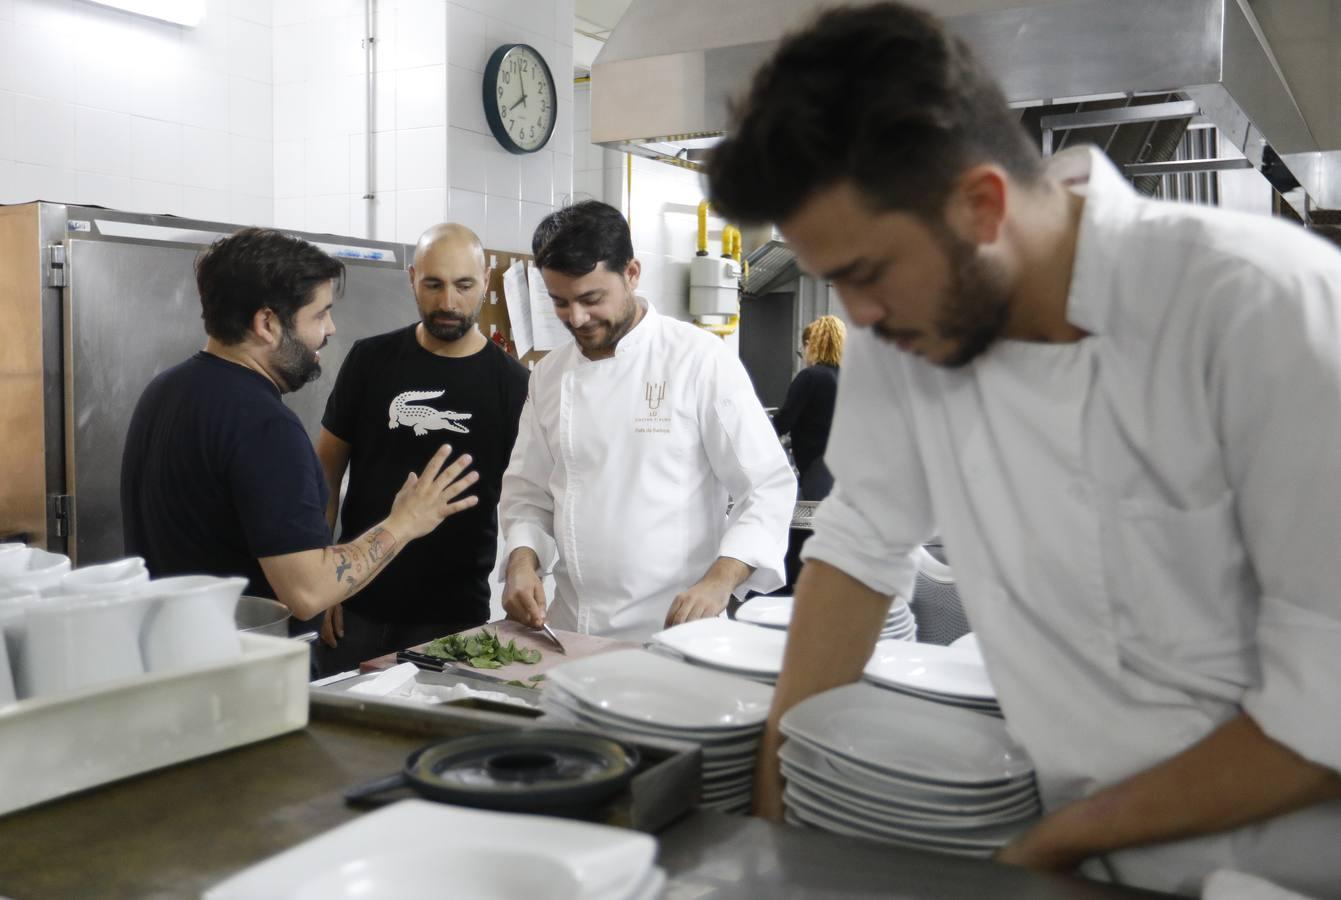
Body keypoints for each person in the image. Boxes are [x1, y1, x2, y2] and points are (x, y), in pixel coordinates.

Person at [705, 4, 1341, 897]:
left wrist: (1056, 842)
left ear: (982, 204)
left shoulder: (1267, 310)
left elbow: (1328, 709)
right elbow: (856, 550)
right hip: (1077, 849)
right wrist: (772, 833)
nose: (857, 318)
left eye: (865, 273)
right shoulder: (912, 327)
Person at [122, 227, 480, 631]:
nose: (330, 329)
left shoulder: (163, 391)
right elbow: (308, 592)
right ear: (267, 324)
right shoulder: (265, 427)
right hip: (241, 674)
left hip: (169, 656)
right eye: (320, 314)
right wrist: (406, 521)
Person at [498, 201, 796, 640]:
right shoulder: (549, 376)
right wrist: (522, 561)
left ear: (632, 273)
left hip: (675, 631)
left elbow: (767, 487)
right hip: (570, 631)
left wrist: (719, 582)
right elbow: (529, 493)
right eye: (559, 303)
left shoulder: (699, 360)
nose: (576, 318)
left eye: (591, 299)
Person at [313, 223, 529, 673]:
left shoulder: (514, 385)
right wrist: (323, 581)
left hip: (453, 620)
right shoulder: (369, 360)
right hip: (356, 604)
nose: (448, 302)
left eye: (463, 285)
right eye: (433, 284)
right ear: (412, 278)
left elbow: (527, 501)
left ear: (484, 280)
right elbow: (325, 476)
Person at [772, 315, 845, 501]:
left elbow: (782, 423)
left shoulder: (810, 377)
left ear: (810, 344)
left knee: (809, 524)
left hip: (819, 469)